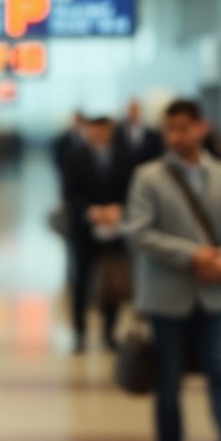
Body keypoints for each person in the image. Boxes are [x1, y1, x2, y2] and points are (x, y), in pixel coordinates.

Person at [125, 99, 221, 441]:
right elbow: (138, 233)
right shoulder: (148, 177)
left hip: (216, 296)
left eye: (183, 128)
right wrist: (193, 254)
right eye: (169, 129)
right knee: (168, 385)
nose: (175, 136)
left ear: (202, 128)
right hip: (167, 298)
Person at [62, 117, 133, 354]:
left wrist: (118, 209)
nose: (98, 135)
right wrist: (91, 211)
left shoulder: (125, 157)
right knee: (81, 280)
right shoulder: (74, 157)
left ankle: (109, 331)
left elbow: (133, 190)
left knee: (112, 280)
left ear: (110, 132)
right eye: (94, 131)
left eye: (103, 130)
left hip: (115, 229)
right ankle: (79, 332)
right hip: (84, 229)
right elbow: (68, 193)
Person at [118, 99, 166, 170]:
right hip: (125, 170)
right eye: (131, 110)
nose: (133, 112)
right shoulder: (119, 131)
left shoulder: (151, 132)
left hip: (146, 167)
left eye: (135, 110)